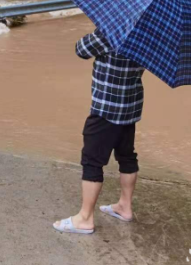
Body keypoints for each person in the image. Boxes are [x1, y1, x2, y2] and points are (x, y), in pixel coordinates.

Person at [53, 28, 144, 234]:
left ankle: (85, 218)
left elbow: (81, 49)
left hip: (106, 108)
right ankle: (125, 206)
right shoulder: (147, 33)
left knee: (92, 161)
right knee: (127, 156)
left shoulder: (112, 30)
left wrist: (100, 29)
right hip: (130, 105)